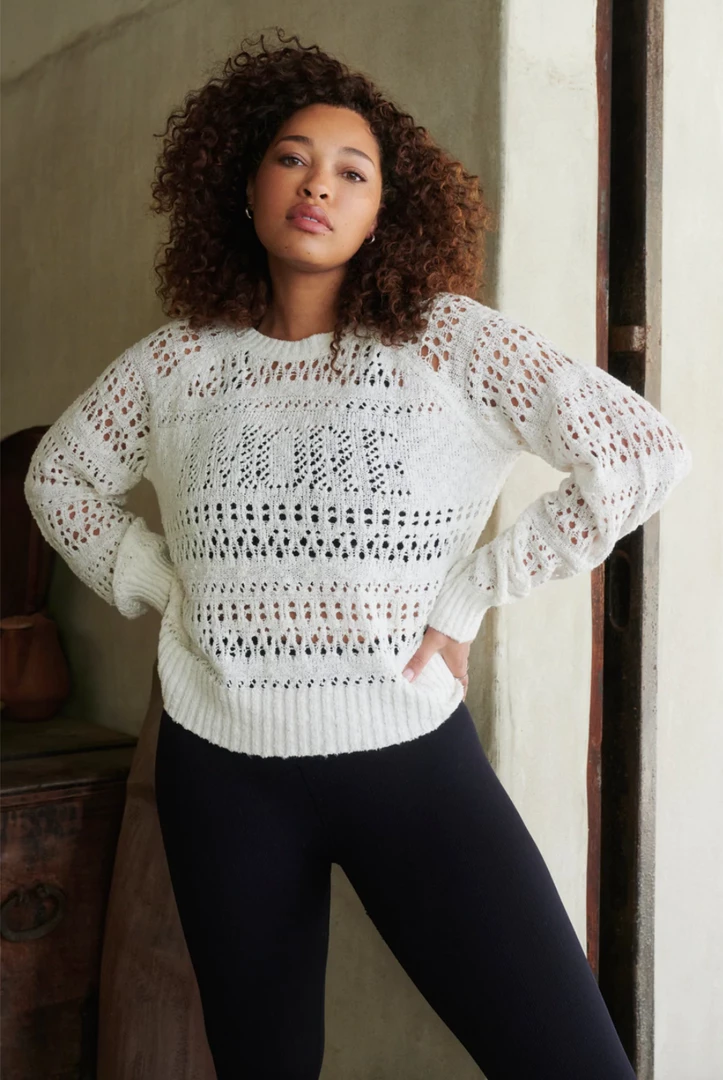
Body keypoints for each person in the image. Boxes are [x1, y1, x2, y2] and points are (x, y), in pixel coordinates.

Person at [24, 27, 692, 1080]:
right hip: (220, 771)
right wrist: (160, 583)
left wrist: (474, 592)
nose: (317, 186)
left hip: (407, 760)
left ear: (386, 210)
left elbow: (640, 452)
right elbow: (57, 479)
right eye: (291, 158)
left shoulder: (451, 341)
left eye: (352, 171)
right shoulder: (174, 362)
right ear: (244, 187)